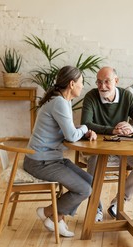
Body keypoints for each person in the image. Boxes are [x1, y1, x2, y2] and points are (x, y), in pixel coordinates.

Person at [23, 66, 97, 237]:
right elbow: (71, 136)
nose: (82, 86)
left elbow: (68, 130)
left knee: (90, 181)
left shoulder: (63, 101)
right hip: (40, 162)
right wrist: (85, 127)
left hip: (52, 159)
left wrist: (81, 131)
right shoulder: (59, 103)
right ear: (72, 84)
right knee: (84, 189)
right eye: (81, 83)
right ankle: (49, 213)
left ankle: (56, 218)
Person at [81, 66, 133, 220]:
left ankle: (119, 201)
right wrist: (111, 130)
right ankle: (95, 207)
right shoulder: (91, 96)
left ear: (116, 81)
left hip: (123, 149)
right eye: (99, 82)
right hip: (99, 151)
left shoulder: (126, 96)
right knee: (93, 163)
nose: (102, 86)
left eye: (107, 82)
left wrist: (132, 127)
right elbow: (86, 123)